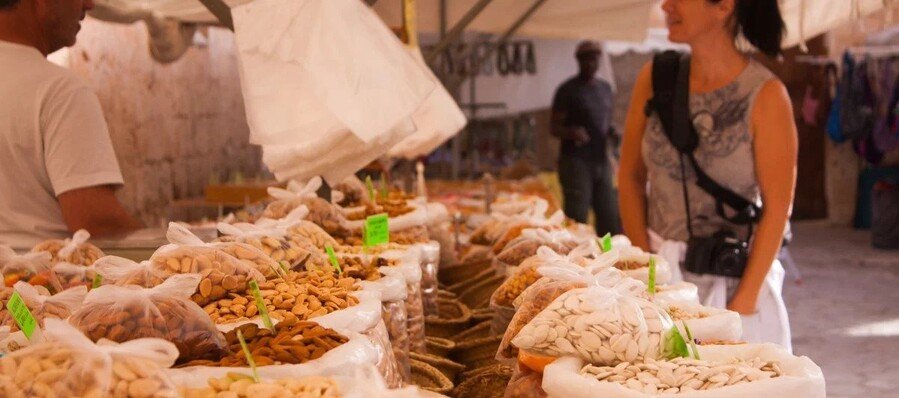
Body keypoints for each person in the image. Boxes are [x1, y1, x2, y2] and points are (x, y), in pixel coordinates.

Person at [618, 0, 796, 350]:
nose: (666, 6)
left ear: (724, 6)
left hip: (735, 284)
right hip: (660, 280)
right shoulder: (655, 78)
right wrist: (645, 272)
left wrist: (740, 308)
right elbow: (629, 176)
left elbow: (778, 209)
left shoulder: (766, 96)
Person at [0, 0, 142, 250]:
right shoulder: (59, 90)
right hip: (41, 283)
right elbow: (96, 221)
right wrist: (174, 248)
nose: (89, 4)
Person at [551, 40, 620, 236]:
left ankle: (609, 259)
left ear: (599, 61)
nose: (590, 64)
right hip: (576, 161)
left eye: (593, 59)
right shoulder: (568, 90)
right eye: (585, 60)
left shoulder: (604, 89)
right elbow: (553, 127)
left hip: (601, 160)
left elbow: (605, 120)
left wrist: (612, 131)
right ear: (578, 61)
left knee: (609, 216)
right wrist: (572, 132)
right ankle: (574, 260)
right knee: (577, 216)